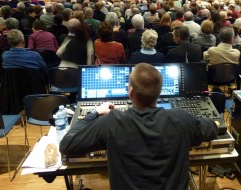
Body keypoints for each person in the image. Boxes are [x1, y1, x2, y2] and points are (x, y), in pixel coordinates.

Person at [59, 63, 218, 190]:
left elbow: (67, 145)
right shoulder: (181, 118)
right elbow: (213, 127)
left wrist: (94, 112)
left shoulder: (112, 121)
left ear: (130, 93)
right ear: (160, 92)